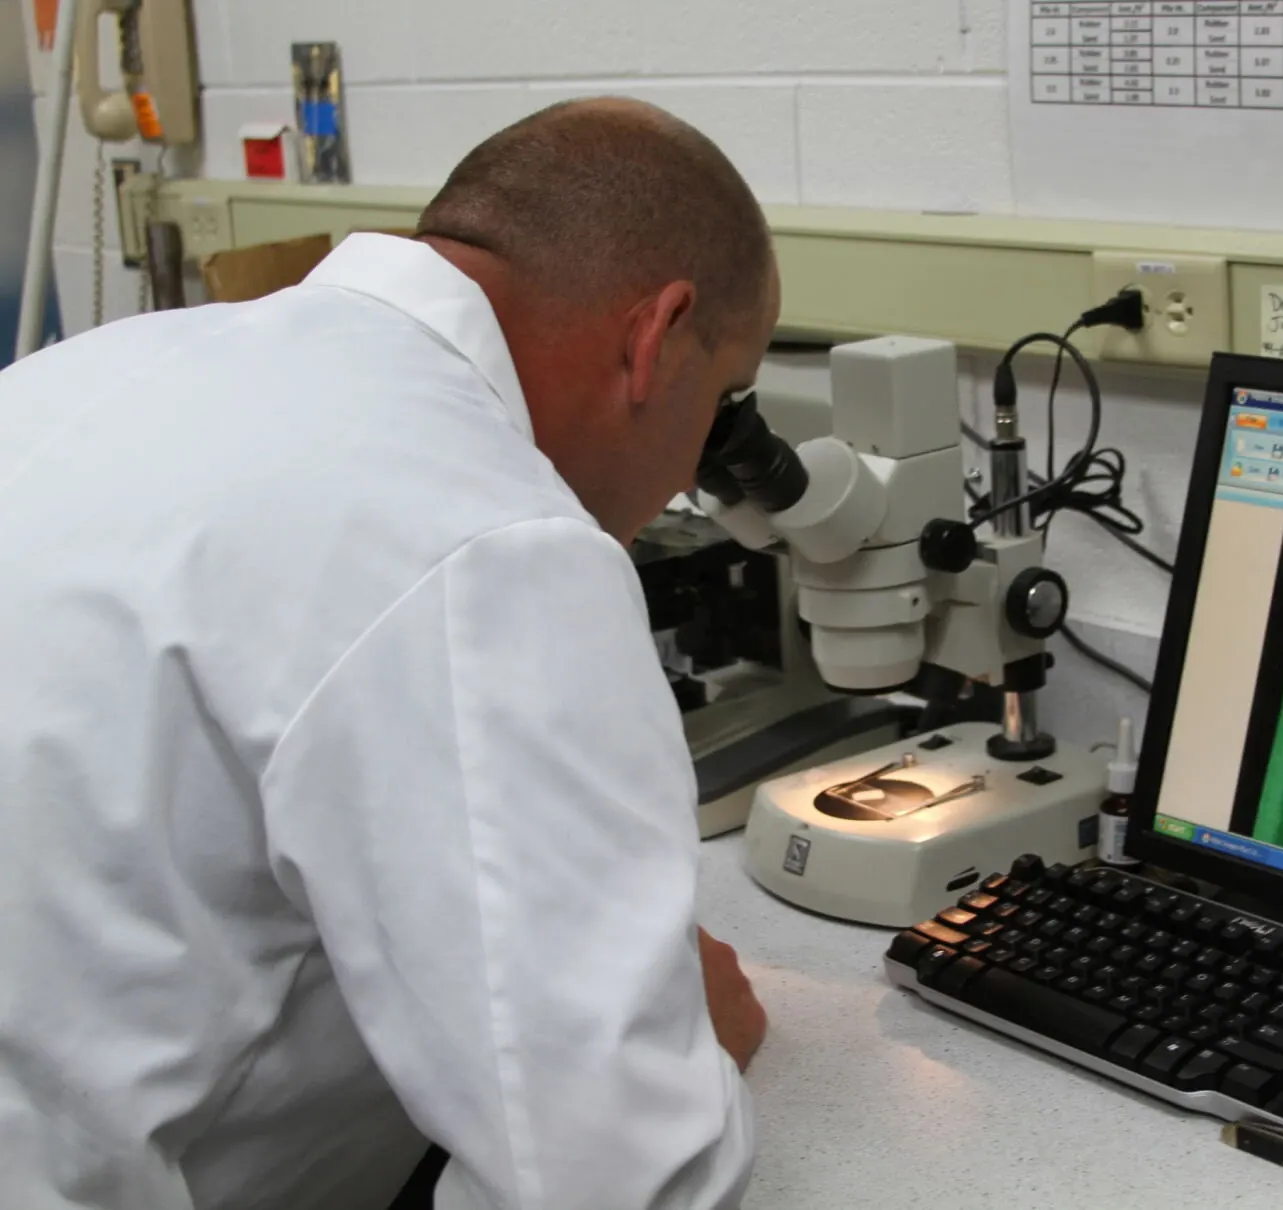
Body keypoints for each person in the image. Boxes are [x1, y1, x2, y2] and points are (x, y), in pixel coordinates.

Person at [0, 98, 775, 1210]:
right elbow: (617, 1181)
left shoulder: (98, 371)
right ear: (659, 337)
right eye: (724, 397)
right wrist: (692, 1049)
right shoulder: (494, 537)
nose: (702, 465)